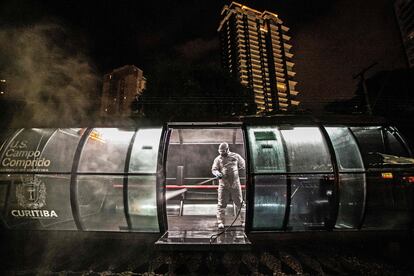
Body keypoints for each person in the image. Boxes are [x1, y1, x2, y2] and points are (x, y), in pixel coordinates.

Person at [211, 142, 245, 229]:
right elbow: (214, 169)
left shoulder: (236, 156)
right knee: (221, 204)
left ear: (227, 149)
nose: (221, 153)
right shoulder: (218, 159)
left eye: (223, 151)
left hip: (235, 184)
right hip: (223, 185)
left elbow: (243, 164)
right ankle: (220, 222)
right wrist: (217, 173)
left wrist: (243, 166)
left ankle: (244, 221)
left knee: (240, 203)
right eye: (220, 151)